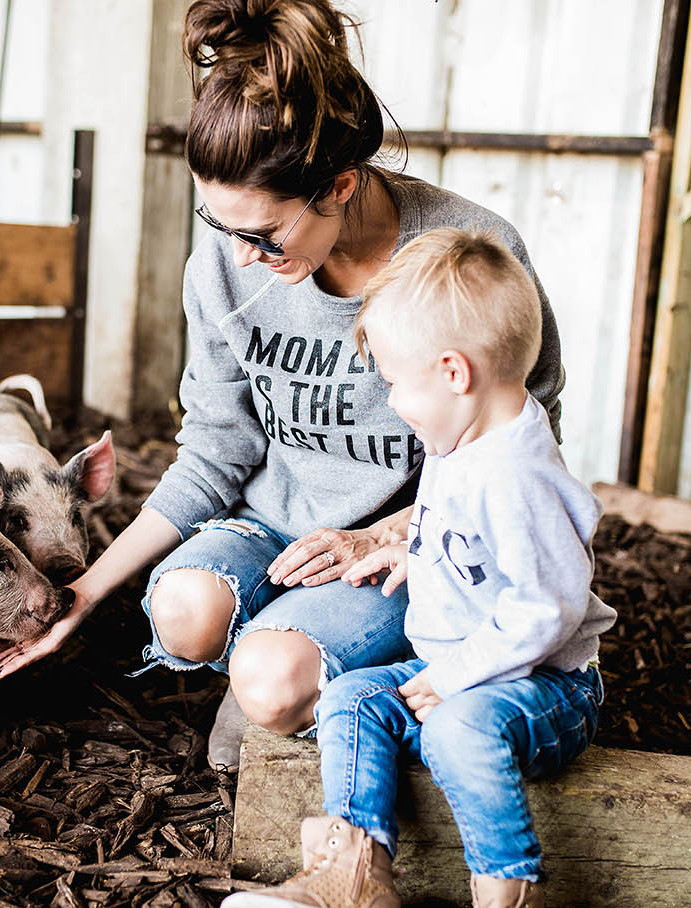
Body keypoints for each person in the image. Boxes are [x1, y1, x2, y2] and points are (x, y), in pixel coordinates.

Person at [0, 0, 568, 772]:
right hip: (271, 526)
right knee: (183, 611)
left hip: (407, 546)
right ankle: (281, 641)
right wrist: (82, 594)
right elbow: (213, 449)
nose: (241, 256)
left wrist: (383, 535)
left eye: (263, 234)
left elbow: (521, 451)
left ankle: (311, 667)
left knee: (273, 682)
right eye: (221, 225)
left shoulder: (467, 258)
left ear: (341, 185)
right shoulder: (222, 267)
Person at [224, 229, 617, 908]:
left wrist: (452, 677)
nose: (394, 402)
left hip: (548, 688)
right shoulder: (462, 438)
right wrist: (415, 550)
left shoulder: (517, 475)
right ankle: (356, 873)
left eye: (396, 384)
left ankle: (507, 890)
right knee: (351, 700)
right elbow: (467, 537)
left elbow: (548, 608)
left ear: (454, 373)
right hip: (456, 669)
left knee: (459, 727)